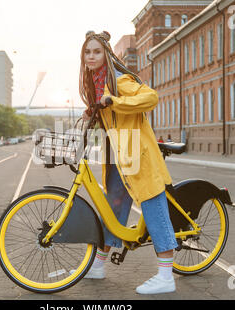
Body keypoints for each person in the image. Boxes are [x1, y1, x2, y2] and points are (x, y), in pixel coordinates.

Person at [79, 31, 178, 294]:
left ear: (106, 54)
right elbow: (113, 119)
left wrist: (115, 101)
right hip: (118, 156)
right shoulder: (98, 84)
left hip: (137, 154)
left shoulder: (119, 81)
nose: (91, 56)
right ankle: (98, 265)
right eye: (87, 52)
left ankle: (166, 276)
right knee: (112, 210)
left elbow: (150, 97)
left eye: (96, 52)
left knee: (153, 208)